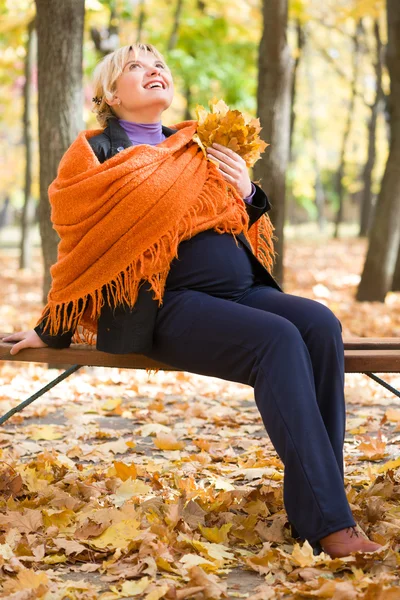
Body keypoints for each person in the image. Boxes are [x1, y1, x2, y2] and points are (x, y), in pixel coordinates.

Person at [4, 43, 382, 559]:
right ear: (110, 94)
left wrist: (248, 191)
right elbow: (83, 246)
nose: (153, 69)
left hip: (241, 289)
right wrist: (52, 326)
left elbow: (242, 218)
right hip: (166, 303)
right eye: (135, 67)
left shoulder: (197, 144)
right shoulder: (96, 154)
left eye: (159, 63)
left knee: (318, 324)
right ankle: (331, 523)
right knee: (276, 340)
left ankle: (318, 502)